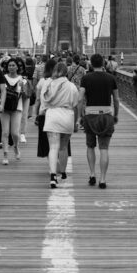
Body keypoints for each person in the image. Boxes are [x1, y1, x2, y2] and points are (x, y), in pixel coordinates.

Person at [38, 56, 80, 188]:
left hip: (52, 116)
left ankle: (52, 176)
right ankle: (63, 173)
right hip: (67, 116)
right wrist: (76, 122)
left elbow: (44, 101)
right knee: (63, 147)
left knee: (53, 147)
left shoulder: (48, 84)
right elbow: (75, 104)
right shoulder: (71, 86)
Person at [79, 53, 118, 189]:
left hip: (90, 115)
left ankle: (92, 174)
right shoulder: (111, 78)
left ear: (90, 64)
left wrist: (80, 115)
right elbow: (116, 100)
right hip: (107, 115)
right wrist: (116, 115)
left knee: (90, 146)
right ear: (104, 63)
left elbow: (80, 99)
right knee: (104, 149)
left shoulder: (86, 78)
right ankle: (102, 179)